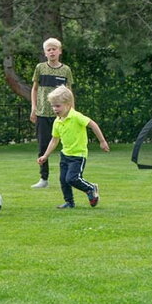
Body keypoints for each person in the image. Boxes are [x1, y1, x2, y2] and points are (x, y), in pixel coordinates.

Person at [37, 86, 110, 208]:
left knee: (72, 179)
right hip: (65, 155)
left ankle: (91, 188)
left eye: (58, 106)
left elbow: (93, 125)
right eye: (53, 106)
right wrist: (45, 155)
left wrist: (102, 141)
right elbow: (54, 140)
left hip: (78, 155)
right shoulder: (57, 121)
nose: (55, 109)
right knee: (63, 180)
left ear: (68, 104)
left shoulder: (76, 116)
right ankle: (69, 203)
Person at [29, 38, 74, 189]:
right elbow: (34, 89)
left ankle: (70, 176)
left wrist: (71, 111)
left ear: (60, 51)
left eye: (54, 49)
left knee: (67, 145)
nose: (52, 51)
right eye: (48, 49)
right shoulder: (40, 68)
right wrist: (33, 108)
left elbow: (69, 93)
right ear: (45, 53)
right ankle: (44, 178)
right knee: (43, 146)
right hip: (42, 114)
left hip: (61, 116)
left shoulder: (66, 70)